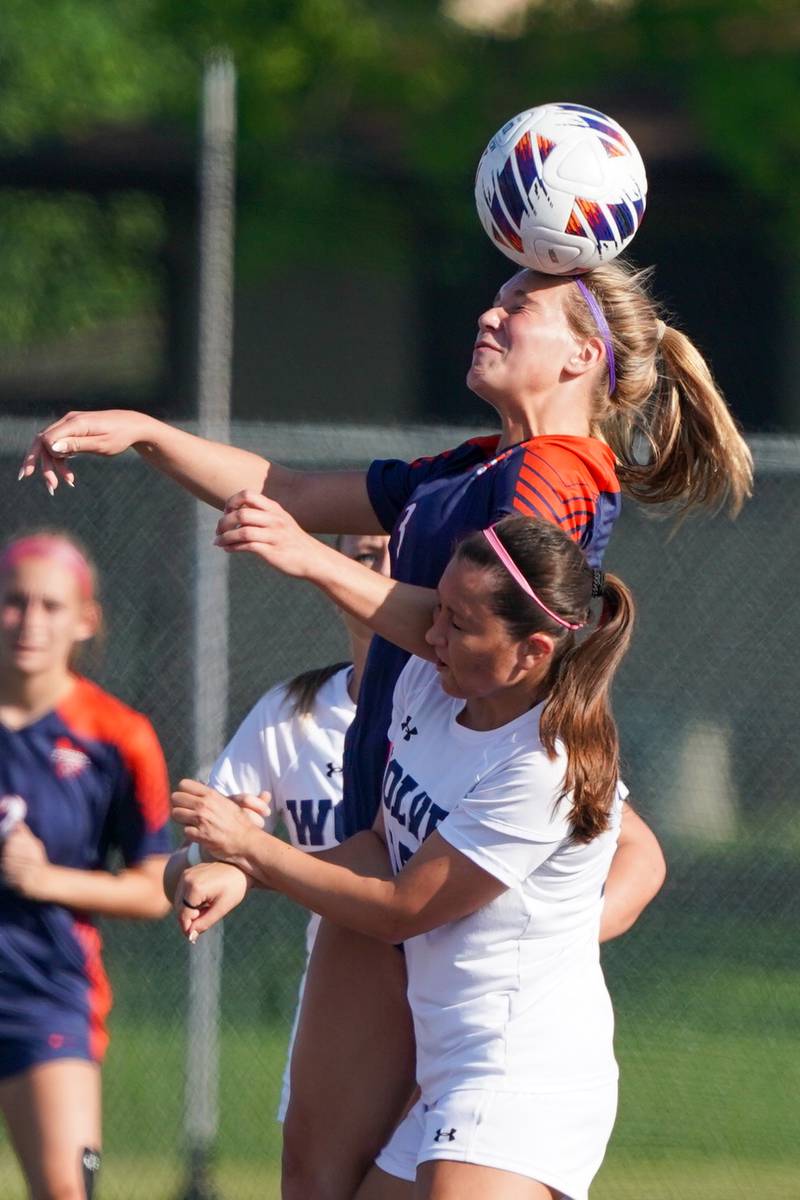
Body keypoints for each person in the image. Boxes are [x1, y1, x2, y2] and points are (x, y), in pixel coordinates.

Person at [19, 258, 735, 1194]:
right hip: (391, 834)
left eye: (521, 307)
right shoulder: (484, 466)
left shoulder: (553, 480)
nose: (490, 311)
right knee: (315, 1178)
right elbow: (289, 486)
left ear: (582, 357)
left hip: (469, 964)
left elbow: (473, 633)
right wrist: (150, 434)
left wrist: (311, 564)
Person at [171, 514, 636, 1199]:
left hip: (520, 1076)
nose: (433, 632)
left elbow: (401, 909)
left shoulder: (540, 767)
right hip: (450, 1063)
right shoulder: (429, 687)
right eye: (437, 607)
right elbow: (377, 850)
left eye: (457, 622)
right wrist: (243, 869)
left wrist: (251, 846)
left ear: (533, 652)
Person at [163, 531, 393, 1124]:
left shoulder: (468, 709)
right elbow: (186, 868)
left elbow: (634, 851)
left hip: (459, 1016)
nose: (379, 567)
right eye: (360, 554)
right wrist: (217, 864)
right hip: (338, 1013)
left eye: (400, 547)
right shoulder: (293, 712)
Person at [0, 532, 172, 1200]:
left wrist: (44, 879)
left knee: (68, 1191)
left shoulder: (116, 736)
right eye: (14, 602)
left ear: (85, 619)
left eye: (50, 605)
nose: (30, 621)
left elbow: (156, 885)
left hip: (44, 989)